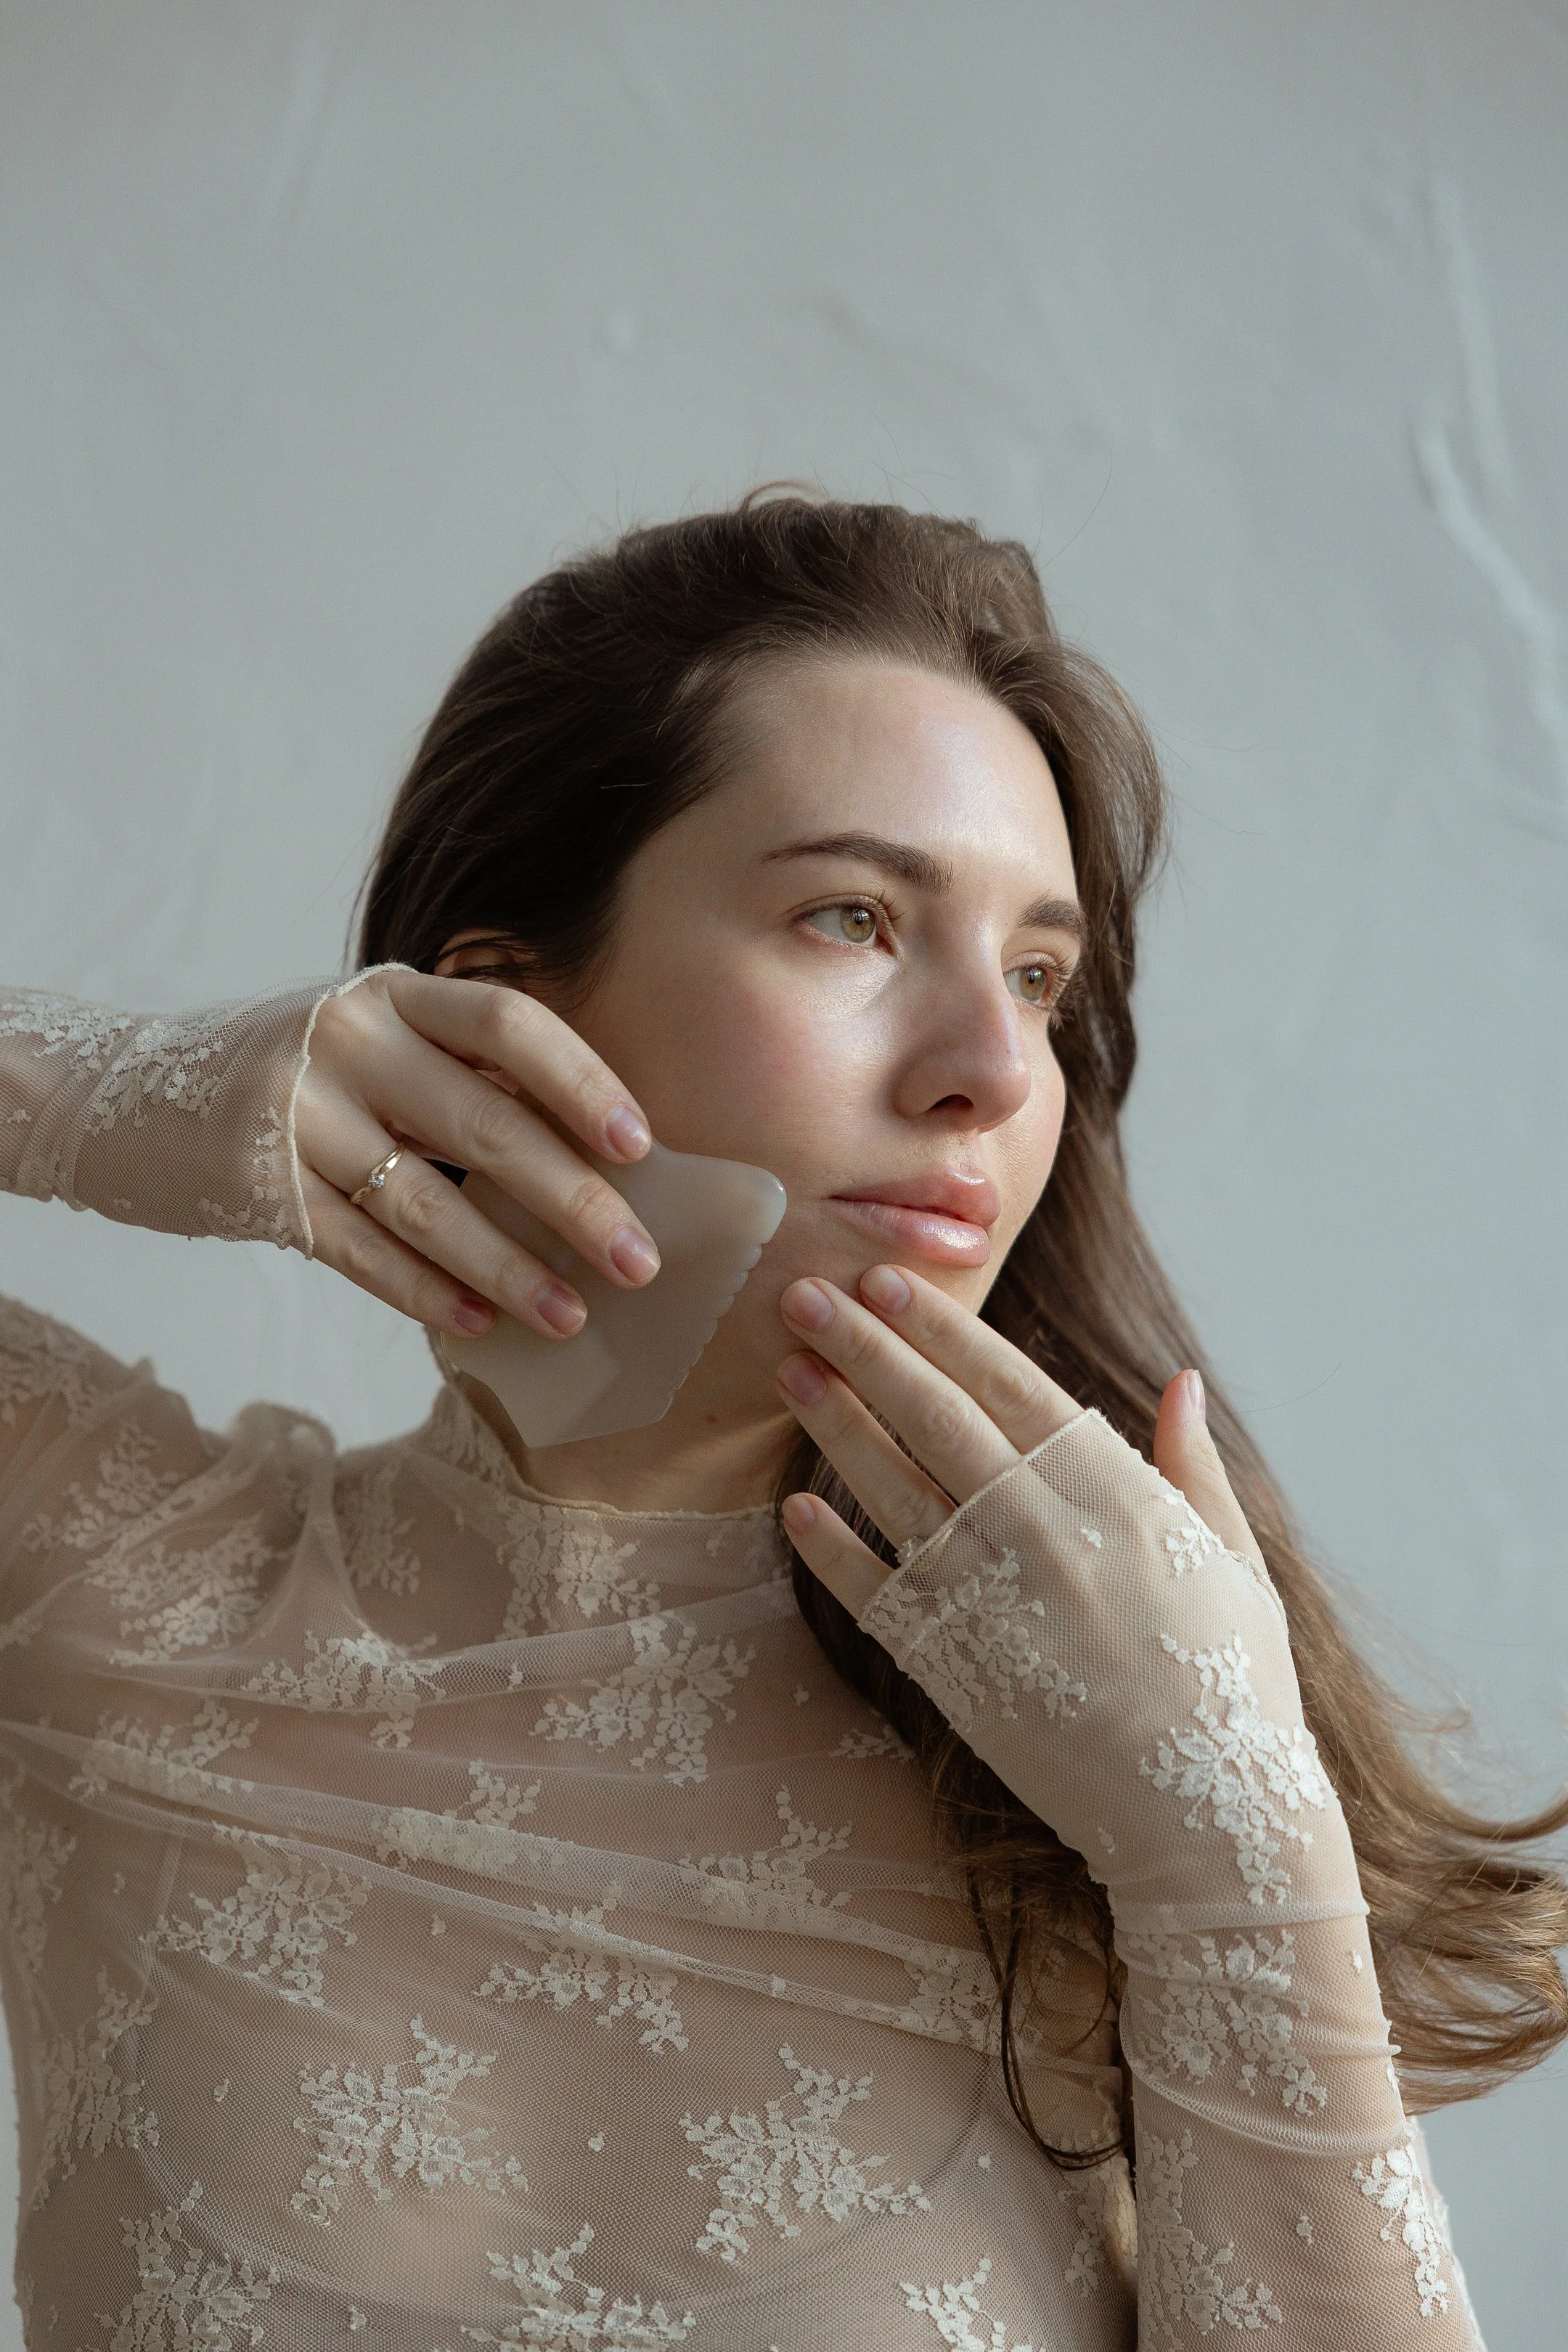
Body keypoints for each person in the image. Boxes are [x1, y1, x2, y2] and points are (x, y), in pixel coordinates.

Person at [0, 496, 1561, 2351]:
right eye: (857, 918)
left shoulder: (1116, 1772)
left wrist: (1225, 1830)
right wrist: (111, 1096)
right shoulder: (111, 1587)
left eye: (1044, 976)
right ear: (495, 1017)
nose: (991, 1068)